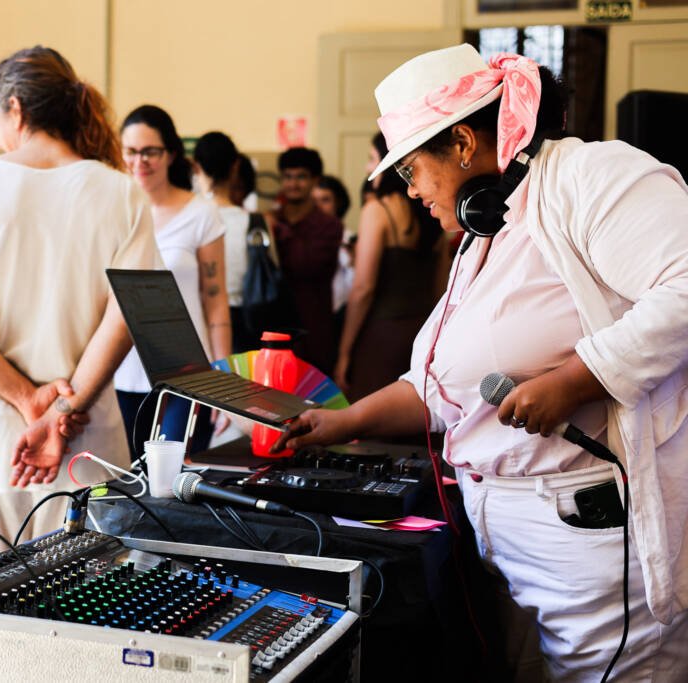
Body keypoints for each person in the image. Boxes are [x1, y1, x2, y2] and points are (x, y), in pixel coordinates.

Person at [274, 44, 688, 681]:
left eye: (412, 170)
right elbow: (437, 387)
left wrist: (576, 381)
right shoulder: (483, 233)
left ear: (463, 143)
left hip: (597, 561)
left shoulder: (591, 177)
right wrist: (338, 422)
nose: (409, 191)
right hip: (506, 552)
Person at [0, 46, 160, 553]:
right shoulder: (121, 193)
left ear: (15, 109)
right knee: (83, 617)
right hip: (86, 446)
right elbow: (127, 318)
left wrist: (28, 400)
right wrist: (63, 407)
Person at [115, 105, 230, 454]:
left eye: (151, 151)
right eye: (131, 152)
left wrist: (223, 376)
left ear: (171, 153)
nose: (140, 161)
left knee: (173, 477)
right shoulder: (113, 212)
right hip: (119, 369)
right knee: (128, 480)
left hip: (186, 373)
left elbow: (216, 299)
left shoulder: (200, 214)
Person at [333, 133, 450, 402]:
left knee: (371, 423)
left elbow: (363, 289)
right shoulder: (436, 213)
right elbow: (441, 291)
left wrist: (344, 353)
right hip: (423, 334)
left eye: (372, 159)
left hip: (381, 335)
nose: (367, 168)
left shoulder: (378, 210)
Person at [269, 147, 343, 374]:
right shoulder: (271, 219)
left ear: (315, 181)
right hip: (274, 327)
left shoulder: (329, 225)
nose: (293, 184)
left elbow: (304, 265)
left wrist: (276, 231)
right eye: (288, 177)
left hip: (313, 332)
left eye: (301, 177)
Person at [193, 131, 254, 353]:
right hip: (244, 324)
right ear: (236, 166)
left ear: (196, 166)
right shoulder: (255, 223)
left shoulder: (190, 218)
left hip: (195, 320)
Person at [312, 174, 354, 361]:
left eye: (325, 200)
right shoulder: (303, 238)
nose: (318, 206)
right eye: (314, 200)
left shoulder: (349, 239)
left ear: (339, 203)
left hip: (341, 320)